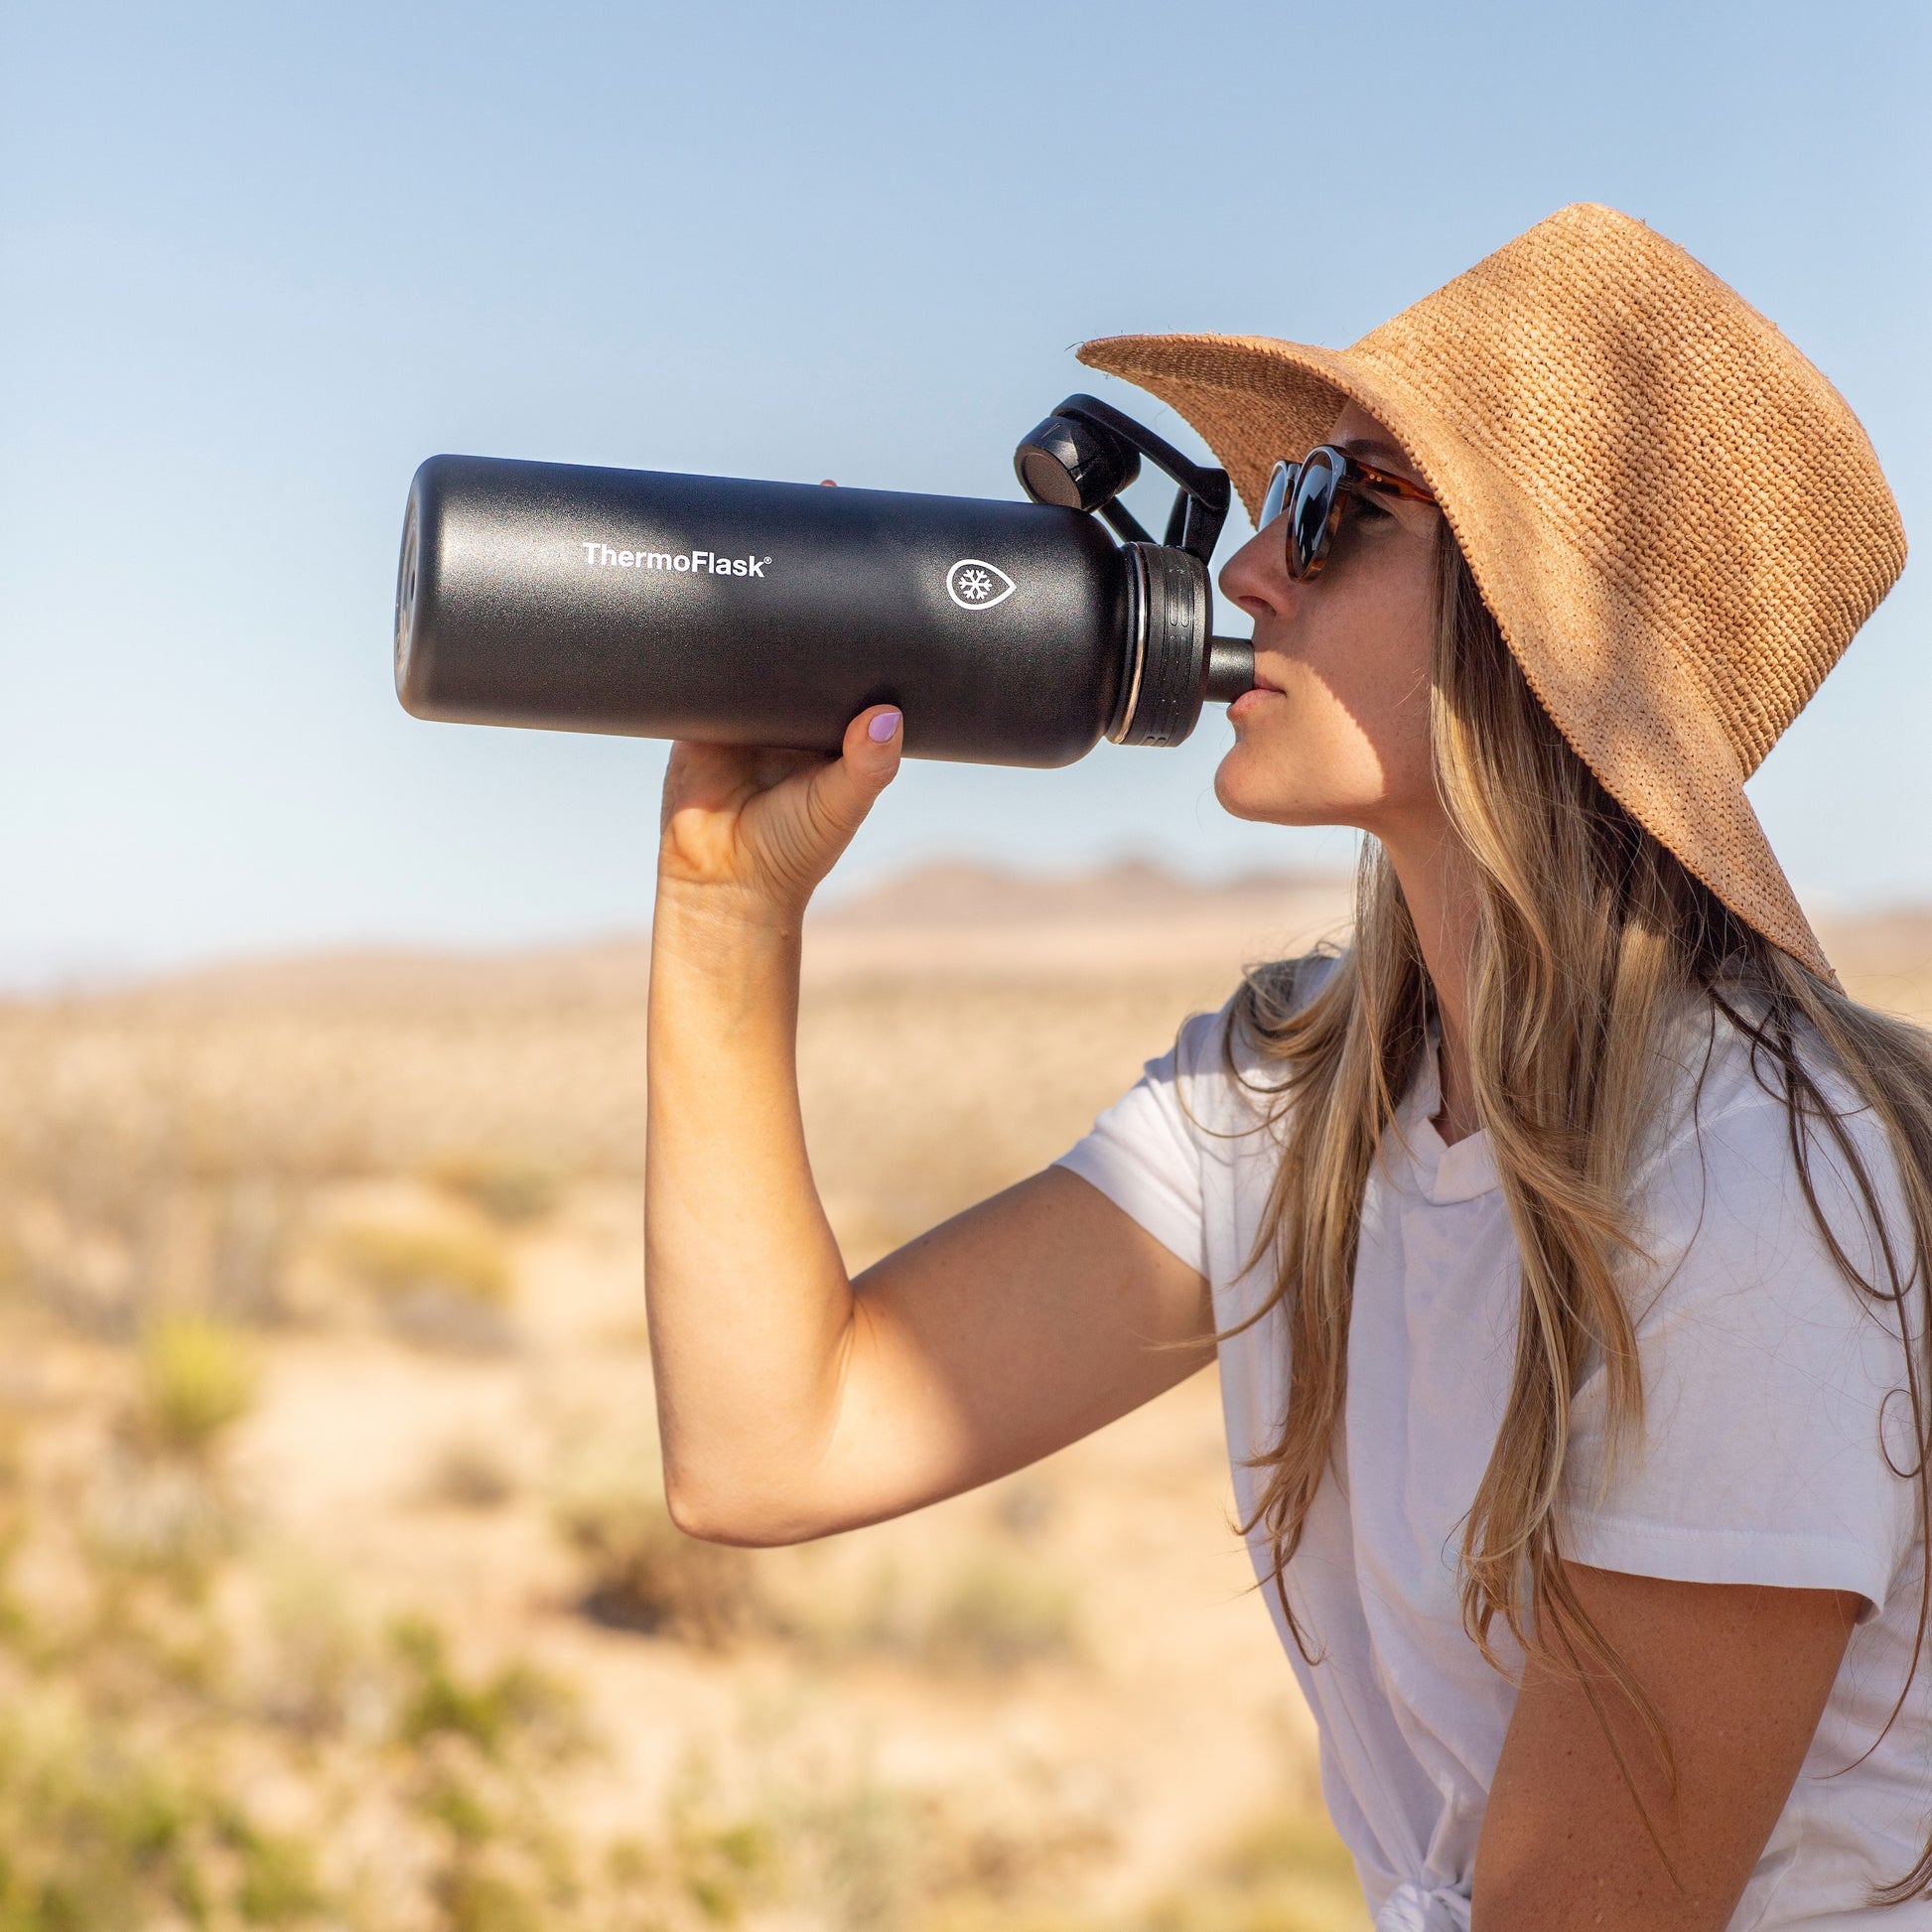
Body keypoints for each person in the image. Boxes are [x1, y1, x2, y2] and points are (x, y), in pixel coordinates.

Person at [641, 204, 1922, 1930]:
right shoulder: (1299, 1101)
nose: (1249, 570)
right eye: (1267, 504)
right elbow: (771, 1443)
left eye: (1331, 506)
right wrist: (724, 907)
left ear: (1536, 647)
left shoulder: (1750, 1197)